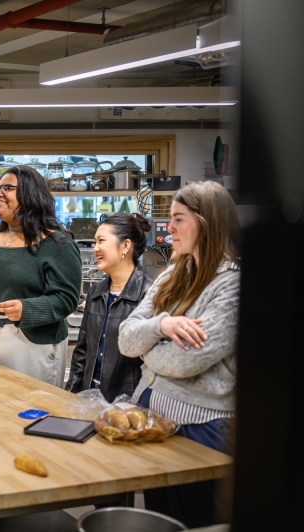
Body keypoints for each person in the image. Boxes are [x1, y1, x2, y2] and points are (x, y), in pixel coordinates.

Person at [118, 181, 241, 528]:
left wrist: (147, 353)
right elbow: (126, 339)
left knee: (200, 522)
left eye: (178, 219)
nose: (168, 228)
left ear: (208, 222)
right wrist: (163, 326)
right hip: (154, 420)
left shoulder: (233, 284)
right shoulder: (173, 274)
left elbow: (185, 362)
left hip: (202, 430)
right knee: (161, 520)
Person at [0, 165, 82, 386]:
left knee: (30, 412)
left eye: (7, 188)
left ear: (30, 194)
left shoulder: (57, 244)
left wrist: (27, 309)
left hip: (29, 343)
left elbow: (66, 298)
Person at [65, 213, 153, 402]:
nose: (95, 248)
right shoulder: (96, 292)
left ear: (125, 246)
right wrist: (70, 396)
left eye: (101, 241)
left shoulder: (149, 295)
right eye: (95, 242)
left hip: (129, 403)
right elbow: (82, 352)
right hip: (90, 398)